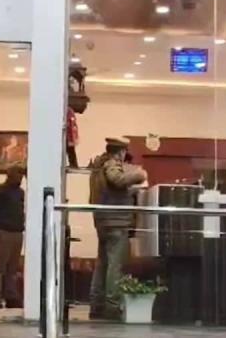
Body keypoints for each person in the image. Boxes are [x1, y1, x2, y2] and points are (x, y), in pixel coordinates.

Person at [88, 137, 147, 321]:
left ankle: (97, 305)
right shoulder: (111, 164)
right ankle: (112, 307)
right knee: (115, 265)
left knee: (103, 264)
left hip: (104, 221)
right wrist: (139, 175)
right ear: (121, 152)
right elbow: (117, 180)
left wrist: (131, 191)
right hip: (116, 222)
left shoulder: (98, 166)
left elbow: (112, 190)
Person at [0, 163, 26, 309]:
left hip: (17, 231)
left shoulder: (20, 193)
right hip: (4, 231)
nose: (20, 177)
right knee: (0, 266)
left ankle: (11, 295)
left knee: (13, 267)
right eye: (18, 174)